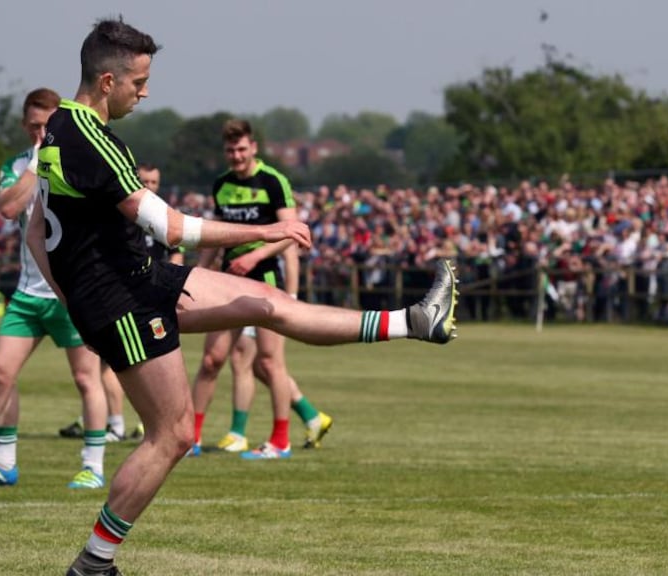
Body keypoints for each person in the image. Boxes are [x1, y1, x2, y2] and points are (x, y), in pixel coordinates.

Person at [28, 18, 456, 575]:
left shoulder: (58, 126)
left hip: (135, 280)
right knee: (174, 434)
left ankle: (417, 321)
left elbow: (36, 227)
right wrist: (267, 231)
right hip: (122, 299)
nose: (146, 91)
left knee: (266, 303)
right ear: (107, 82)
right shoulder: (94, 140)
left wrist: (68, 294)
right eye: (139, 81)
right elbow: (173, 229)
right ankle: (94, 563)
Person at [0, 88, 109, 491]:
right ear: (26, 126)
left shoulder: (79, 162)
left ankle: (92, 467)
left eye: (48, 125)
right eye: (34, 125)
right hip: (28, 294)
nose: (41, 132)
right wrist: (36, 164)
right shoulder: (18, 165)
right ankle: (4, 464)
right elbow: (8, 209)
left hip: (71, 291)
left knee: (86, 378)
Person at [189, 119, 332, 459]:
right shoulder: (221, 185)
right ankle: (189, 439)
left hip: (265, 280)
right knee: (211, 360)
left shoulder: (273, 181)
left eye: (241, 149)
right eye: (230, 150)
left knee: (269, 362)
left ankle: (279, 440)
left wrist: (255, 258)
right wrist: (195, 275)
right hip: (228, 283)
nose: (236, 156)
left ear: (253, 148)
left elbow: (291, 232)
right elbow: (214, 237)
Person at [58, 163, 181, 442]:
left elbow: (177, 256)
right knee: (115, 364)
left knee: (143, 365)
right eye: (145, 181)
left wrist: (167, 291)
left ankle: (136, 424)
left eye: (154, 182)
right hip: (122, 297)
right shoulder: (122, 210)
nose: (150, 186)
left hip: (150, 299)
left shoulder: (162, 214)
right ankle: (122, 422)